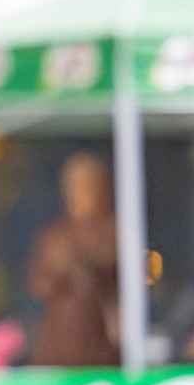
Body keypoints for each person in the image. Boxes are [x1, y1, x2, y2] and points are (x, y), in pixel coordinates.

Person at [27, 151, 119, 367]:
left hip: (101, 346)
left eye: (87, 186)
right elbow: (38, 283)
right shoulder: (56, 235)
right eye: (73, 187)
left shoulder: (115, 232)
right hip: (60, 344)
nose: (78, 195)